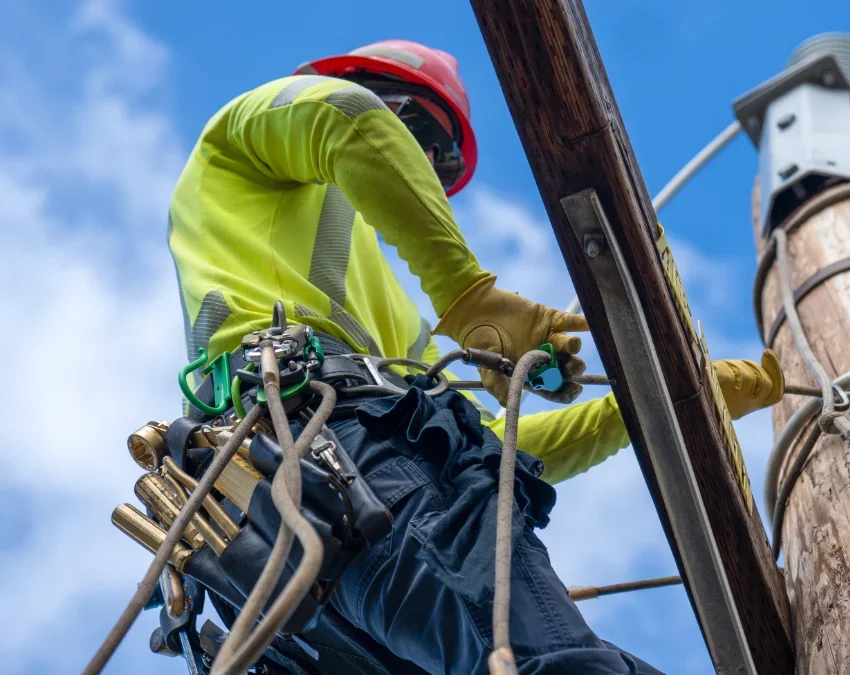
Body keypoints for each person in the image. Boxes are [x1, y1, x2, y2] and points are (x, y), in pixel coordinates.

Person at [168, 39, 784, 675]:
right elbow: (346, 118)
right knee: (557, 665)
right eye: (421, 135)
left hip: (311, 523)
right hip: (316, 460)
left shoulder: (390, 321)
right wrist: (468, 298)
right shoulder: (245, 136)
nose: (428, 165)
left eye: (441, 163)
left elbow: (503, 441)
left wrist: (651, 411)